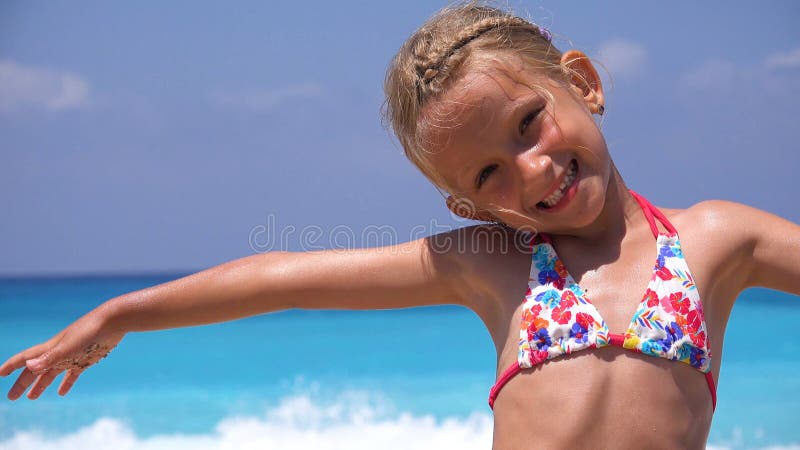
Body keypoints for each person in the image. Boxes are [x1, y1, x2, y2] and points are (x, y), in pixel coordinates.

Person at [2, 3, 798, 448]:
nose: (529, 170)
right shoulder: (492, 263)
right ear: (470, 206)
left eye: (529, 123)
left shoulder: (712, 241)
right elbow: (285, 277)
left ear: (581, 83)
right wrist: (120, 314)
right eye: (488, 173)